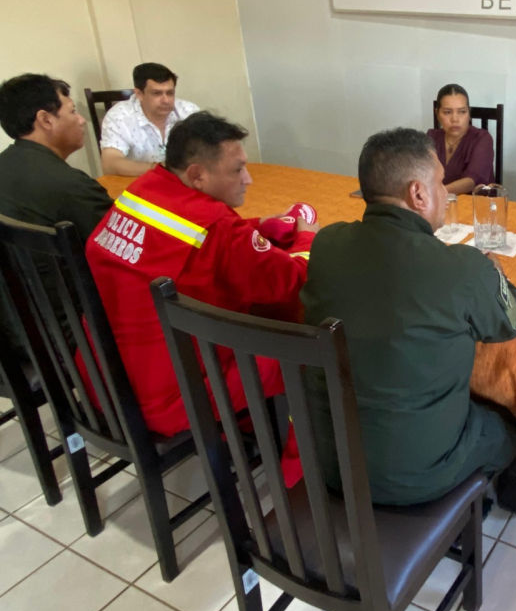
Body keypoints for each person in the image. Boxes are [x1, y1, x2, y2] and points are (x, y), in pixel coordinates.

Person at [300, 127, 516, 505]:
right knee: (510, 426)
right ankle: (477, 506)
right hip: (416, 475)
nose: (447, 193)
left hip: (329, 459)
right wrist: (495, 272)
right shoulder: (461, 268)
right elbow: (513, 321)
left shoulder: (326, 244)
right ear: (417, 193)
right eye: (440, 183)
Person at [85, 112, 317, 435]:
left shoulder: (142, 191)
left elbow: (194, 236)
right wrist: (308, 238)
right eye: (237, 170)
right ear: (197, 176)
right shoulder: (219, 228)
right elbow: (291, 282)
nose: (248, 179)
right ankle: (299, 455)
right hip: (171, 399)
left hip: (104, 381)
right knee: (309, 346)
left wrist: (257, 226)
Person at [0, 74, 114, 347]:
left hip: (14, 333)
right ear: (46, 119)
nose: (82, 119)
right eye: (73, 111)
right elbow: (129, 253)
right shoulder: (69, 186)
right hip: (70, 341)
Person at [100, 63, 200, 177]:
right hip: (140, 183)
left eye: (170, 93)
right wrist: (162, 168)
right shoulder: (119, 116)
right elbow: (110, 164)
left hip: (184, 182)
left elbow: (208, 152)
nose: (166, 100)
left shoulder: (188, 111)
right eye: (157, 93)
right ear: (139, 94)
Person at [428, 83, 495, 194]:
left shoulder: (482, 139)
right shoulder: (431, 138)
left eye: (462, 112)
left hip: (476, 206)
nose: (455, 119)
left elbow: (471, 182)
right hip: (438, 205)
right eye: (447, 112)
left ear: (469, 113)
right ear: (438, 114)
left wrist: (435, 194)